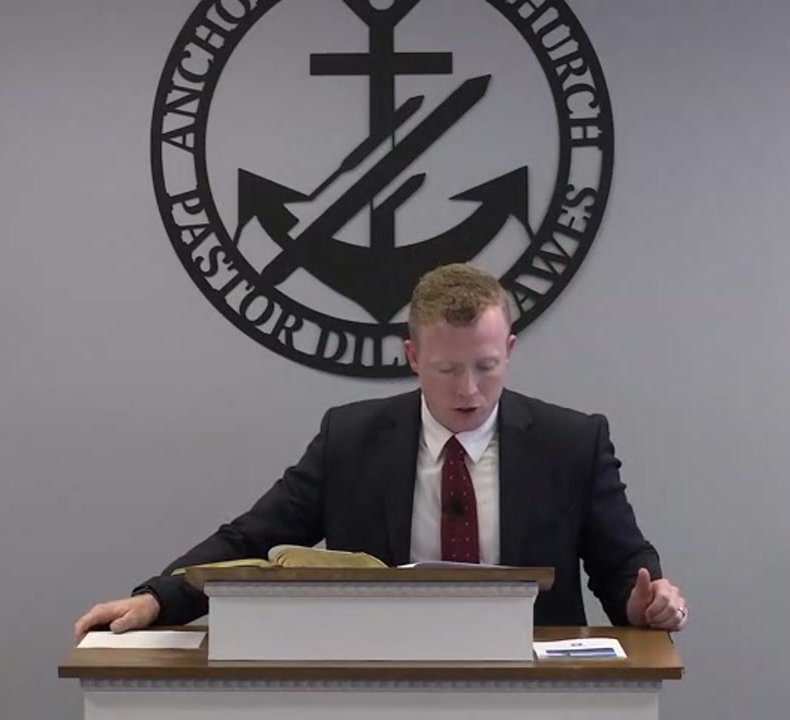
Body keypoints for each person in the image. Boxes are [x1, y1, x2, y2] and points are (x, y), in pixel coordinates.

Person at [74, 263, 688, 641]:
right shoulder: (351, 439)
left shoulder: (572, 442)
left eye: (486, 366)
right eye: (447, 369)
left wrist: (644, 602)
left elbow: (623, 566)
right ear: (413, 357)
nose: (468, 390)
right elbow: (250, 540)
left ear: (510, 349)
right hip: (383, 682)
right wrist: (158, 597)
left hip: (533, 690)